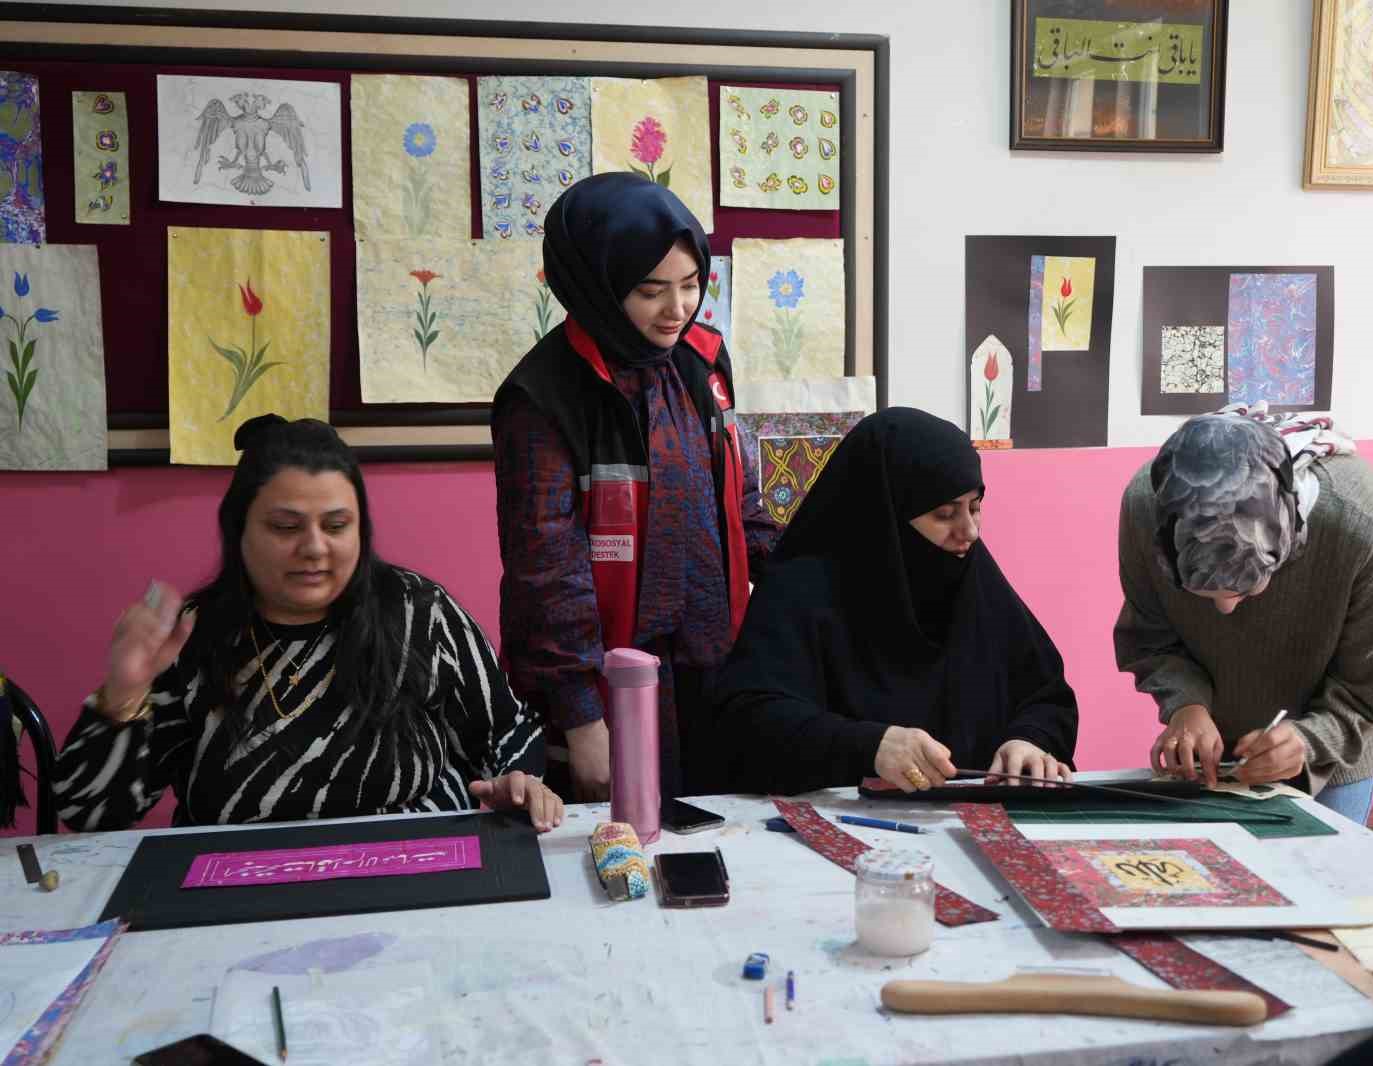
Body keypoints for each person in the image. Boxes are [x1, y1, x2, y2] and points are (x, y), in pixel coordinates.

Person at [52, 415, 563, 832]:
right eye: (285, 527)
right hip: (238, 888)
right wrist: (123, 693)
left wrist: (513, 783)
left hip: (410, 870)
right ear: (239, 531)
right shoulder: (193, 635)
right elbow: (89, 814)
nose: (315, 548)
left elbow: (508, 732)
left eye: (337, 526)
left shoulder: (418, 612)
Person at [493, 172, 777, 802]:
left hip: (711, 665)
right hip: (606, 682)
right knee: (615, 854)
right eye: (651, 292)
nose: (678, 310)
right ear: (596, 285)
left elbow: (740, 498)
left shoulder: (702, 360)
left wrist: (803, 587)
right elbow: (545, 567)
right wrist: (580, 715)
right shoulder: (544, 397)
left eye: (691, 285)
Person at [714, 407, 1078, 795]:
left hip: (977, 827)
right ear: (886, 515)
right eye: (944, 514)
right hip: (844, 835)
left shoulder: (976, 585)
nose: (969, 532)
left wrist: (1029, 740)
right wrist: (868, 746)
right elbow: (749, 723)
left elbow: (1046, 694)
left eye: (975, 507)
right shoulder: (803, 590)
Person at [1114, 406, 1373, 824]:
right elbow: (1149, 633)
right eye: (1199, 593)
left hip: (1340, 738)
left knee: (1320, 879)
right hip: (1219, 740)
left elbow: (1371, 684)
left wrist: (1309, 741)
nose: (1225, 610)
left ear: (1290, 537)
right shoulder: (1147, 506)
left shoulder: (1360, 529)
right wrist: (1187, 707)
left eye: (1246, 588)